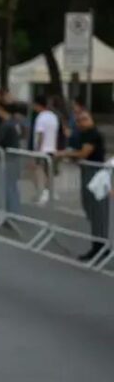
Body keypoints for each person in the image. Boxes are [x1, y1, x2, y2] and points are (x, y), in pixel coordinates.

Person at [56, 110, 109, 262]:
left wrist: (63, 154)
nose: (81, 123)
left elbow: (84, 153)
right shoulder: (83, 134)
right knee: (90, 208)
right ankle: (98, 244)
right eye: (79, 121)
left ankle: (100, 246)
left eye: (83, 120)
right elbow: (77, 151)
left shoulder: (92, 133)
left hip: (96, 174)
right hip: (88, 172)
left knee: (97, 210)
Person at [32, 95, 60, 205]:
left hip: (43, 149)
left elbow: (40, 135)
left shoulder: (40, 117)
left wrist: (38, 151)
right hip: (52, 147)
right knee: (49, 172)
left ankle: (44, 192)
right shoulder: (53, 116)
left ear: (38, 105)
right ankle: (50, 191)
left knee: (40, 172)